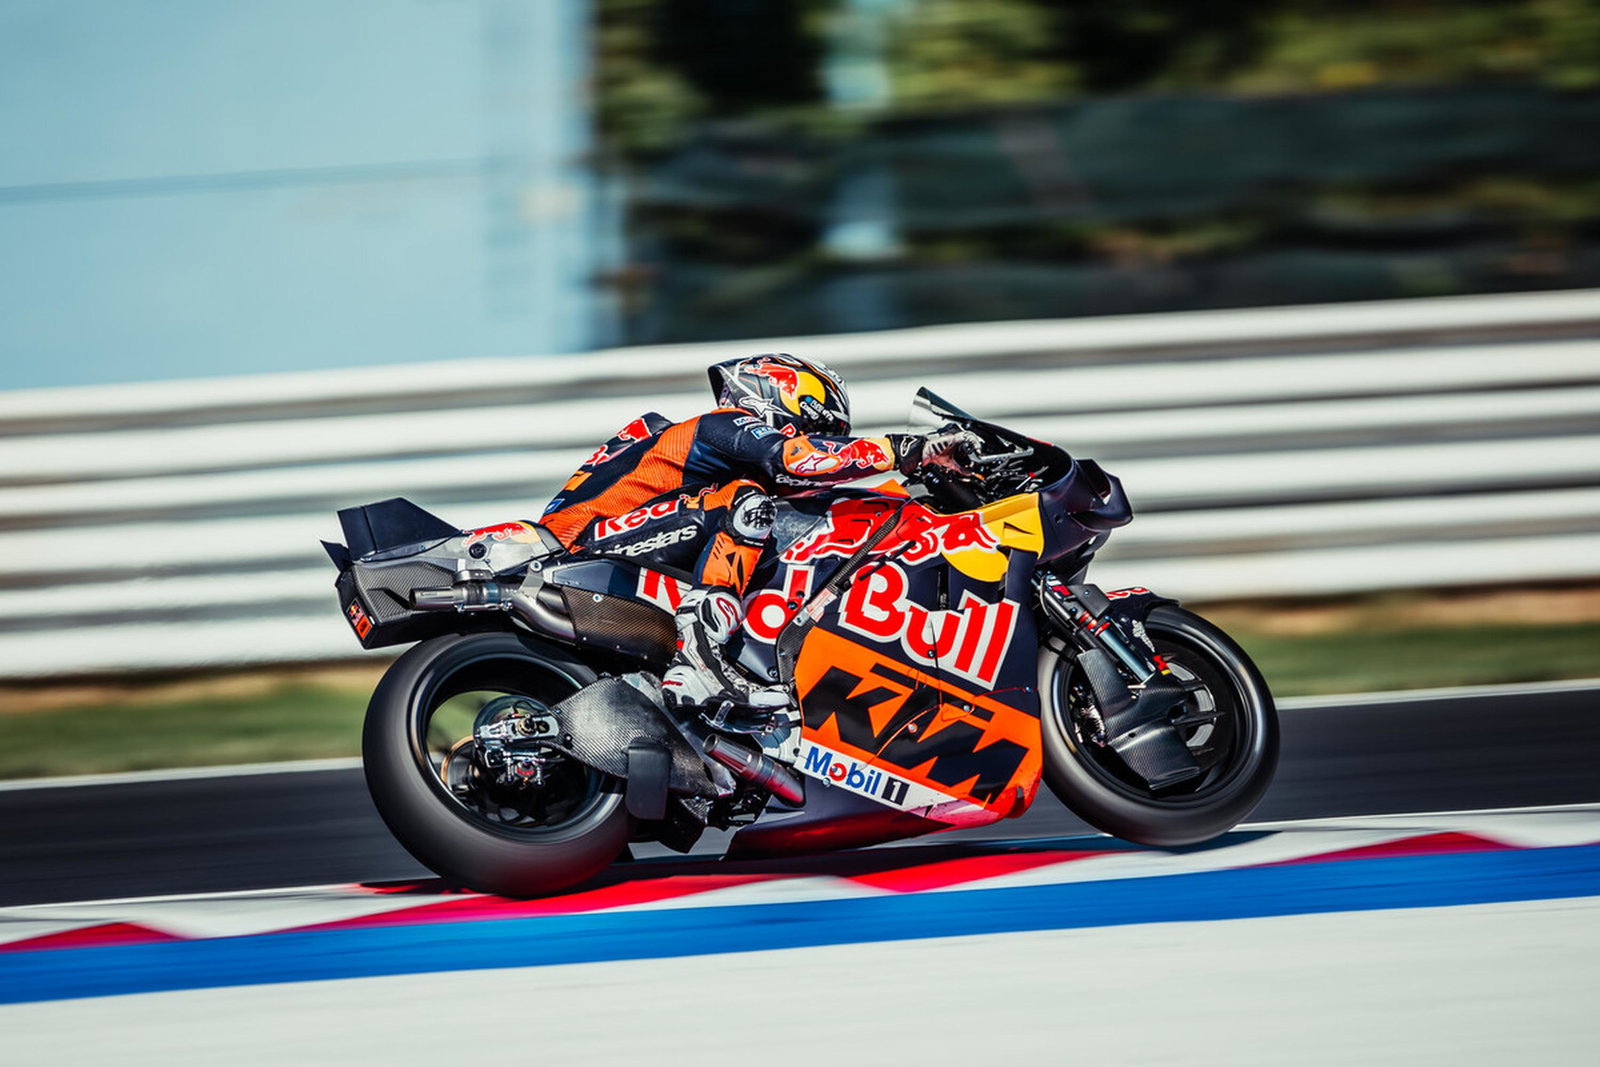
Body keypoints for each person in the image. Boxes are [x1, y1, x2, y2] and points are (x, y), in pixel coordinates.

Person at [539, 353, 973, 723]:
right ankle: (699, 661)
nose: (817, 440)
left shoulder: (707, 454)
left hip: (619, 544)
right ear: (784, 398)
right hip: (582, 542)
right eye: (815, 428)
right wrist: (909, 449)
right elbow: (795, 460)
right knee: (749, 503)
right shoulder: (722, 425)